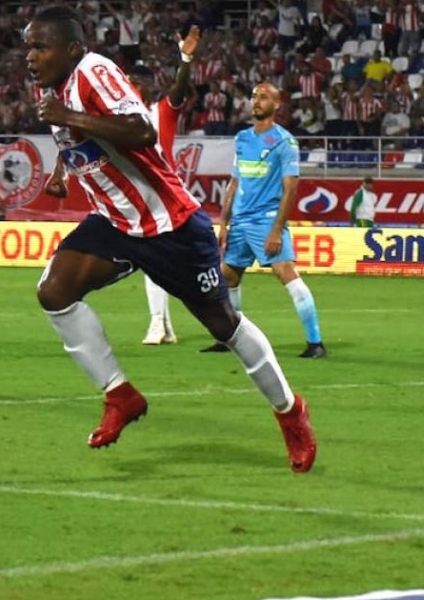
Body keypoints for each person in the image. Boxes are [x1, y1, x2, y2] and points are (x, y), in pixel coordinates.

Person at [25, 7, 316, 472]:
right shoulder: (53, 92)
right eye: (28, 47)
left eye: (41, 46)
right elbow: (79, 142)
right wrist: (62, 166)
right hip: (116, 223)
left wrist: (69, 115)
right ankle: (120, 394)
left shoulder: (92, 72)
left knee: (224, 324)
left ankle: (290, 412)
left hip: (170, 225)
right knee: (54, 291)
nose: (31, 56)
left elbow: (140, 131)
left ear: (72, 49)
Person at [198, 81, 327, 359]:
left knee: (287, 275)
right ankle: (230, 337)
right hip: (240, 223)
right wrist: (224, 222)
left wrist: (277, 230)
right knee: (228, 278)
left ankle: (316, 342)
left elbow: (290, 188)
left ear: (277, 105)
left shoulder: (284, 141)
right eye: (254, 96)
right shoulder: (242, 138)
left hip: (266, 221)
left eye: (263, 97)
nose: (256, 101)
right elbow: (234, 182)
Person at [97, 26, 199, 346]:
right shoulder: (119, 120)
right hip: (138, 196)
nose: (130, 87)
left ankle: (169, 322)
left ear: (150, 88)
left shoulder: (160, 112)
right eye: (128, 82)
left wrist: (185, 59)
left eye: (136, 83)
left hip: (164, 194)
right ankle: (161, 325)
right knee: (153, 259)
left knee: (166, 262)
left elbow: (179, 92)